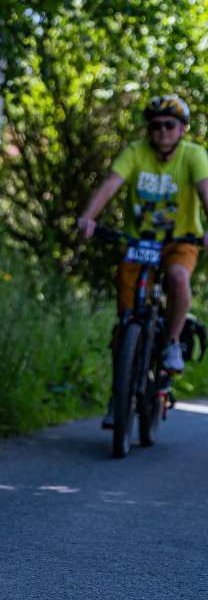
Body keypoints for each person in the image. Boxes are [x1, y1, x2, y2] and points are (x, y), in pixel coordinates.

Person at [78, 94, 208, 428]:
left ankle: (173, 344)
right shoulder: (136, 152)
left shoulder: (194, 155)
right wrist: (89, 217)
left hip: (180, 241)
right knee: (126, 317)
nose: (162, 131)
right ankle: (119, 393)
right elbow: (111, 184)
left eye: (170, 125)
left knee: (179, 278)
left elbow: (207, 192)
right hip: (140, 242)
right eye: (156, 126)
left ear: (182, 129)